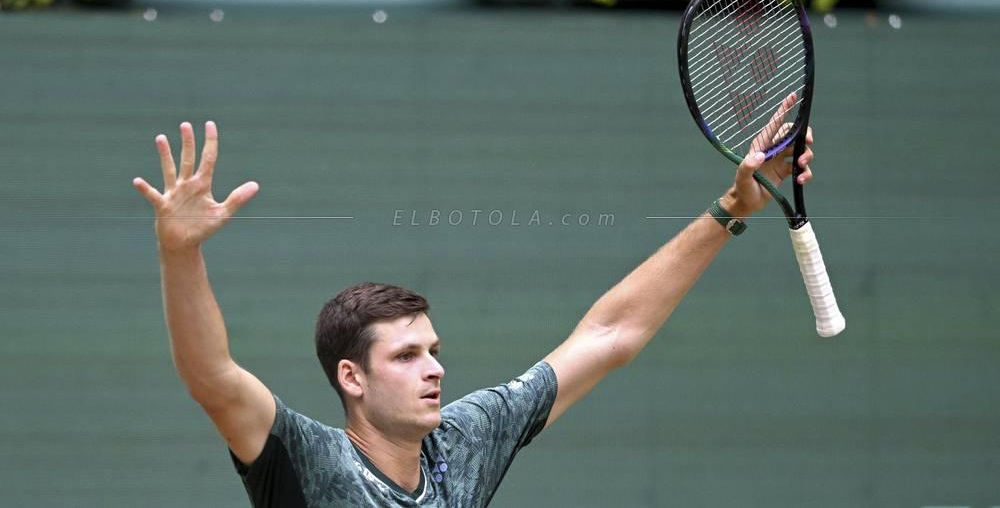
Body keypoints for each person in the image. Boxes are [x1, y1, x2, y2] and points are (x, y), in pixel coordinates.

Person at [132, 103, 814, 507]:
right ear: (352, 376)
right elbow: (212, 377)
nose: (434, 368)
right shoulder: (304, 460)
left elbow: (610, 333)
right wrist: (180, 251)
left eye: (433, 350)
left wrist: (731, 208)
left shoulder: (466, 440)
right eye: (406, 354)